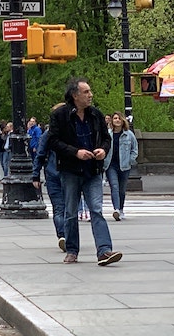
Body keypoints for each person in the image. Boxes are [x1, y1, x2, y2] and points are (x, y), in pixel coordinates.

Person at [49, 76, 122, 266]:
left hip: (93, 170)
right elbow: (54, 142)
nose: (90, 95)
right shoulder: (60, 116)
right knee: (71, 212)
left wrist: (103, 150)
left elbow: (106, 138)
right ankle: (72, 250)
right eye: (86, 92)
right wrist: (76, 152)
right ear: (75, 95)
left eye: (90, 91)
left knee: (96, 210)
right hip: (70, 170)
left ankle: (104, 250)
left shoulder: (96, 115)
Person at [32, 104, 67, 252]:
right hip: (69, 173)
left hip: (52, 173)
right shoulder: (70, 132)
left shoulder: (48, 134)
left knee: (58, 207)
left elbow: (40, 154)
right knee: (69, 207)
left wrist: (36, 175)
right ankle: (68, 235)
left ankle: (62, 235)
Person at [105, 111, 138, 221]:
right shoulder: (108, 134)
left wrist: (131, 160)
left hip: (124, 165)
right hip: (111, 165)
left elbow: (135, 149)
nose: (117, 120)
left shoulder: (129, 134)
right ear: (112, 121)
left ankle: (121, 209)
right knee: (114, 186)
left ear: (122, 120)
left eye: (119, 118)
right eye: (115, 118)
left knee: (122, 189)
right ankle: (116, 209)